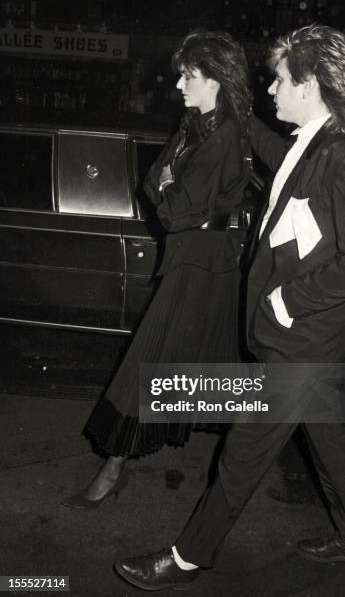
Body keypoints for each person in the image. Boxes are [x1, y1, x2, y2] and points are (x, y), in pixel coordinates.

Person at [113, 24, 345, 590]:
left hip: (301, 339)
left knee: (241, 456)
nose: (272, 90)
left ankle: (187, 557)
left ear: (310, 84)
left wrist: (287, 299)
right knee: (328, 434)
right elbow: (265, 145)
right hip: (309, 339)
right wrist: (231, 100)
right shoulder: (307, 147)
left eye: (281, 81)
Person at [62, 30, 253, 509]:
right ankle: (230, 474)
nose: (179, 86)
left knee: (160, 364)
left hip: (205, 267)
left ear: (215, 80)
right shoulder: (195, 124)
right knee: (189, 369)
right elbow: (153, 180)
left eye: (189, 76)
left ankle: (114, 469)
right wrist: (171, 186)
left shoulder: (226, 133)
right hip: (191, 259)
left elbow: (172, 207)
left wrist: (170, 185)